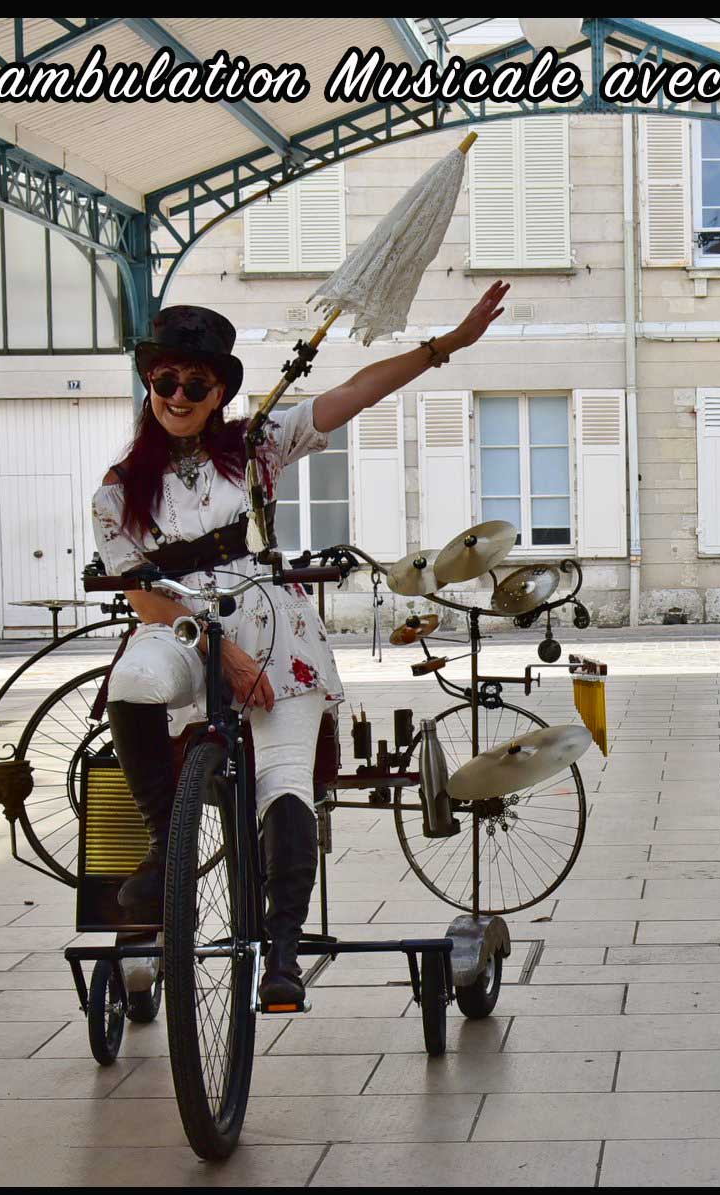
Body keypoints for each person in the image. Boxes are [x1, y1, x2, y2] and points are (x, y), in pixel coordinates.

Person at [92, 285, 507, 1006]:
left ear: (219, 389)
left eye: (196, 382)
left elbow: (353, 393)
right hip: (183, 628)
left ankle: (280, 952)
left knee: (283, 782)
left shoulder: (255, 445)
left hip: (273, 626)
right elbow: (140, 591)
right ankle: (168, 851)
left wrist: (447, 345)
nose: (179, 394)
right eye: (165, 381)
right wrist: (221, 655)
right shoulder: (120, 487)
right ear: (149, 383)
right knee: (132, 682)